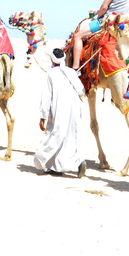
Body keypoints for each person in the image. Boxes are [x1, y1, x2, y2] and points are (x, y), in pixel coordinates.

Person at [34, 48, 88, 177]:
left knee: (54, 137)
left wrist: (43, 116)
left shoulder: (51, 73)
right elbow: (81, 90)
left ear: (52, 59)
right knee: (69, 137)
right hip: (74, 109)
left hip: (58, 109)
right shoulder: (71, 72)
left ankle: (50, 164)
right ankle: (74, 163)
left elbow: (46, 97)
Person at [70, 0, 129, 70]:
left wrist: (96, 16)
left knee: (78, 36)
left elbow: (104, 7)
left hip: (107, 22)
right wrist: (96, 12)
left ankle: (75, 68)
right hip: (122, 24)